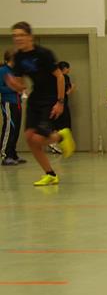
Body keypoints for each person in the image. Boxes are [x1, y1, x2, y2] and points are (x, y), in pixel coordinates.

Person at [11, 22, 76, 186]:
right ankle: (50, 174)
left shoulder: (43, 54)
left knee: (39, 139)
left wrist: (60, 102)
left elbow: (60, 77)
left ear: (30, 37)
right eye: (15, 35)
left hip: (50, 98)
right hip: (35, 98)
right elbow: (21, 84)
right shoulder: (18, 57)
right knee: (29, 138)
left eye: (21, 35)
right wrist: (15, 85)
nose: (18, 38)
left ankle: (61, 136)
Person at [1, 51, 26, 166]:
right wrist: (14, 88)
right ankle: (5, 155)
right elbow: (1, 87)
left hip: (17, 102)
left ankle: (12, 154)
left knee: (16, 129)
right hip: (8, 102)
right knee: (9, 128)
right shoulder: (3, 71)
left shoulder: (15, 71)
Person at [49, 61, 75, 154]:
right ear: (64, 68)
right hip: (61, 105)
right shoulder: (64, 77)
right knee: (64, 125)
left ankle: (55, 144)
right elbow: (65, 92)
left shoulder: (53, 78)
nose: (69, 70)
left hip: (53, 104)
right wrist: (72, 89)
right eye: (68, 68)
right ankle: (56, 143)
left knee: (55, 123)